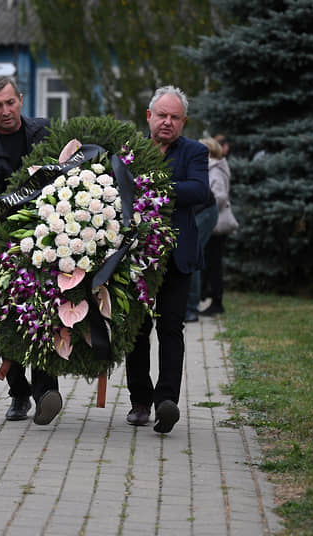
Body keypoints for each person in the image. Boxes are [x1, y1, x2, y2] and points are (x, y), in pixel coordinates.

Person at [0, 76, 61, 425]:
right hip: (3, 247)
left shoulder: (45, 133)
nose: (6, 111)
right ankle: (18, 393)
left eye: (10, 102)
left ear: (21, 99)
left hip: (51, 242)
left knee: (46, 315)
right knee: (10, 323)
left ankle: (47, 391)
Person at [125, 86, 210, 434]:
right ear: (149, 116)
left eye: (175, 117)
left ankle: (166, 402)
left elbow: (200, 190)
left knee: (171, 328)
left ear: (183, 121)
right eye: (162, 115)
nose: (167, 122)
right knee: (137, 331)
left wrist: (154, 187)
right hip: (136, 257)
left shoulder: (195, 151)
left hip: (177, 257)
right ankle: (140, 402)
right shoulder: (131, 149)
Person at [184, 138, 220, 323]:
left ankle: (191, 308)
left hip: (204, 211)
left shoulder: (194, 157)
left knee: (191, 255)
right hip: (197, 210)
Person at [201, 134, 234, 316]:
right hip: (213, 224)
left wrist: (205, 207)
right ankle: (209, 297)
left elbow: (220, 196)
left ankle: (217, 302)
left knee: (214, 264)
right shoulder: (213, 167)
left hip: (216, 225)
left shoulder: (214, 169)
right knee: (210, 263)